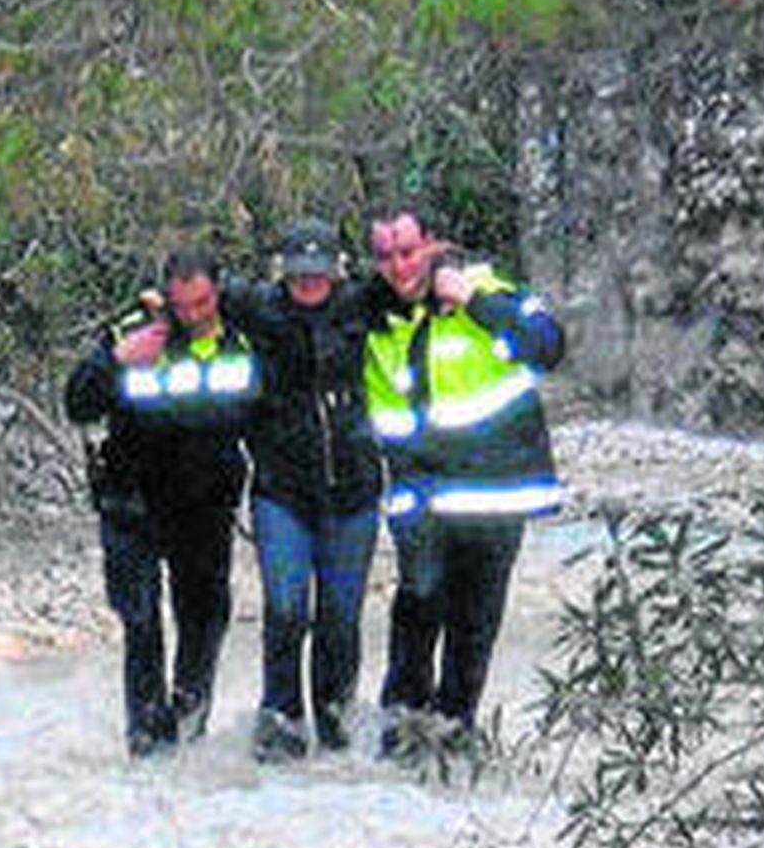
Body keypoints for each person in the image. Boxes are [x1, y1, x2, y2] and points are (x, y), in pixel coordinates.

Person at [362, 206, 565, 753]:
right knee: (420, 599)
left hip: (497, 493)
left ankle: (456, 730)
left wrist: (472, 302)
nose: (398, 267)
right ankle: (403, 727)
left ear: (432, 244)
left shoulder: (485, 290)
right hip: (422, 492)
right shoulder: (371, 314)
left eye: (407, 251)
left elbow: (547, 346)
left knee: (475, 620)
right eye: (384, 256)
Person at [64, 248, 259, 758]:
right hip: (133, 501)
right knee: (141, 619)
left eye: (203, 304)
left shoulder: (243, 337)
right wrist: (115, 361)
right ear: (166, 297)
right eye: (182, 305)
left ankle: (189, 730)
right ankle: (147, 741)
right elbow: (76, 402)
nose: (193, 315)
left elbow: (271, 414)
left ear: (219, 292)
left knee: (203, 619)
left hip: (205, 507)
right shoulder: (131, 330)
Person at [220, 218, 383, 761]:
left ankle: (336, 726)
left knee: (340, 617)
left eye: (319, 274)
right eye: (298, 275)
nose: (308, 284)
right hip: (281, 490)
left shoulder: (364, 303)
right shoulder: (256, 307)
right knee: (286, 611)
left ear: (337, 271)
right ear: (281, 274)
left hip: (354, 488)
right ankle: (281, 721)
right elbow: (196, 299)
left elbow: (418, 283)